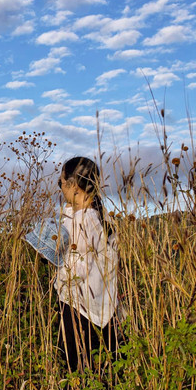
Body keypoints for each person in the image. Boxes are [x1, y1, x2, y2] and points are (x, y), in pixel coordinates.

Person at [53, 156, 121, 373]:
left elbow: (77, 271)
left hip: (79, 310)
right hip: (104, 310)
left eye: (61, 182)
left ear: (73, 185)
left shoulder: (84, 222)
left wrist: (53, 256)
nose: (60, 188)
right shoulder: (99, 218)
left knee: (77, 375)